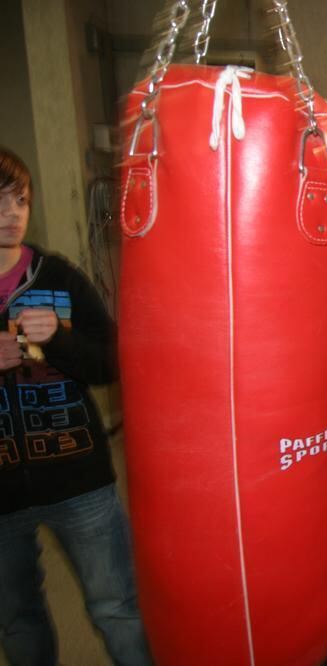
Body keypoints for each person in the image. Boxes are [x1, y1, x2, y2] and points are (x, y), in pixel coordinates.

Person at [0, 146, 152, 665]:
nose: (12, 212)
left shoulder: (58, 278)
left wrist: (60, 339)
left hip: (78, 482)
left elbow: (114, 361)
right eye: (0, 200)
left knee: (118, 609)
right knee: (18, 621)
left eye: (20, 199)